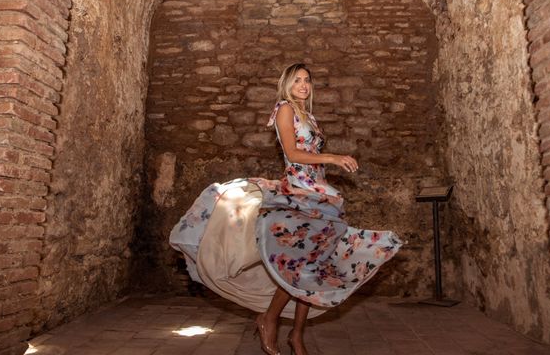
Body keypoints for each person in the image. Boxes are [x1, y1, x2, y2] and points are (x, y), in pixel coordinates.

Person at [170, 63, 403, 355]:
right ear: (287, 86)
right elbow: (292, 153)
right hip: (299, 191)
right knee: (301, 263)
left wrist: (325, 169)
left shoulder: (309, 115)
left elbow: (311, 154)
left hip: (319, 192)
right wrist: (332, 158)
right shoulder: (285, 109)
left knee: (312, 264)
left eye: (306, 80)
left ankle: (296, 336)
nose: (303, 85)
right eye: (297, 81)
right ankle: (269, 318)